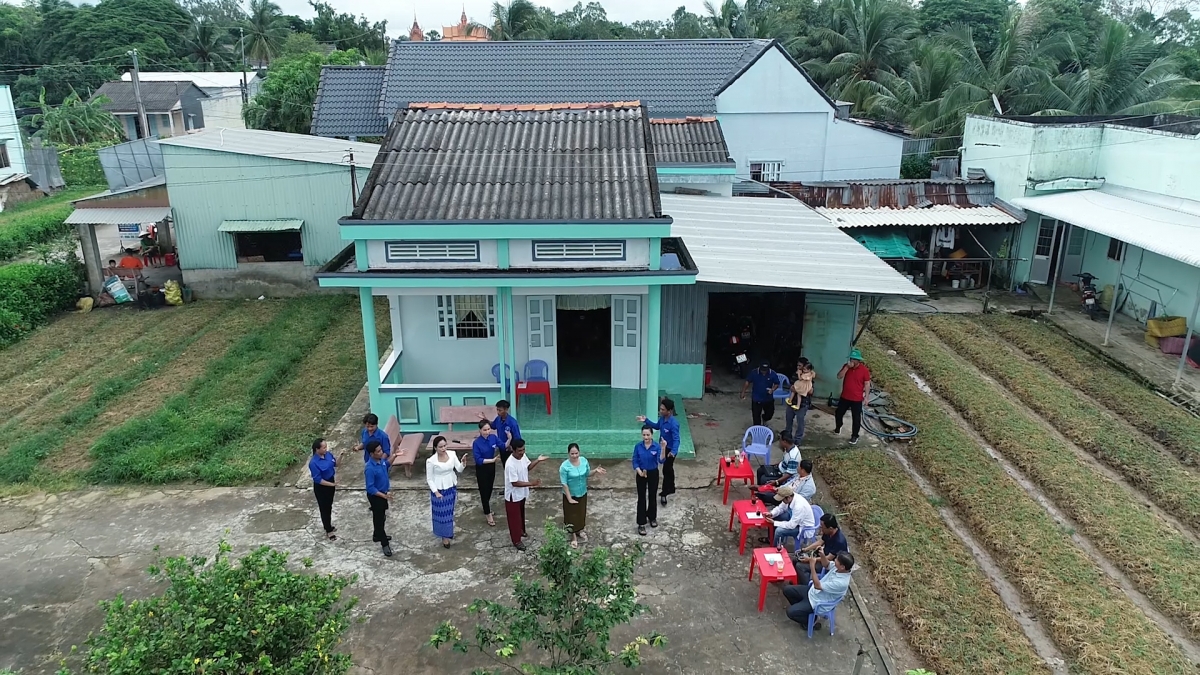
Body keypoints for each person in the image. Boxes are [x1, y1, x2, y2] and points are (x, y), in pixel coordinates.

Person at [781, 552, 855, 630]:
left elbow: (817, 586)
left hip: (817, 602)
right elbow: (826, 565)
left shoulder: (841, 582)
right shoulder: (838, 568)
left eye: (837, 560)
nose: (835, 560)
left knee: (790, 612)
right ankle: (803, 610)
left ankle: (812, 621)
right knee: (787, 590)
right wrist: (822, 554)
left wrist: (812, 566)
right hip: (813, 592)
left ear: (842, 567)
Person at [503, 439, 550, 551]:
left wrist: (538, 460)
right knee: (514, 518)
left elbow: (527, 467)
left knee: (521, 514)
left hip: (522, 492)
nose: (522, 452)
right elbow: (514, 483)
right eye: (520, 450)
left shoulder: (523, 457)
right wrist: (531, 483)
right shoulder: (510, 464)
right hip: (513, 495)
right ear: (513, 450)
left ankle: (521, 531)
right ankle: (516, 540)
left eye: (524, 449)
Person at [559, 443, 607, 548]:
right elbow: (564, 483)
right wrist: (569, 498)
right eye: (572, 454)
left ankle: (579, 530)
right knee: (571, 515)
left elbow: (587, 474)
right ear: (568, 454)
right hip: (570, 494)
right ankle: (573, 536)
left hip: (582, 492)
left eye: (576, 453)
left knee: (581, 513)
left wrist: (596, 471)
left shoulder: (584, 461)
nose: (575, 456)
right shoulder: (564, 467)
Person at [637, 398, 680, 507]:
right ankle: (671, 487)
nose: (660, 411)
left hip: (670, 450)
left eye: (662, 409)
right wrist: (646, 420)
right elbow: (656, 426)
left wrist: (673, 452)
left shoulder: (674, 424)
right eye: (660, 409)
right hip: (662, 447)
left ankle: (665, 493)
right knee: (667, 469)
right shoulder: (662, 419)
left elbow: (676, 439)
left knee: (666, 469)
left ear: (669, 411)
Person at [426, 435, 465, 548]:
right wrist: (436, 492)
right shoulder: (431, 461)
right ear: (435, 448)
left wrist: (463, 463)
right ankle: (444, 536)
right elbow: (429, 479)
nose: (443, 449)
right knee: (441, 515)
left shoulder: (452, 454)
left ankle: (447, 534)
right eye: (440, 447)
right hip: (438, 489)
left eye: (445, 446)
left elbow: (459, 469)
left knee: (449, 513)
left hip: (450, 486)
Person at [796, 513, 849, 585]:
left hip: (829, 564)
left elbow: (829, 558)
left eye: (822, 527)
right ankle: (797, 581)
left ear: (830, 528)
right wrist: (805, 549)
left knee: (800, 566)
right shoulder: (828, 532)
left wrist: (810, 560)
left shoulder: (839, 541)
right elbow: (820, 542)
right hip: (822, 555)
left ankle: (806, 588)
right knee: (796, 558)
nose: (820, 529)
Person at [835, 348, 871, 445]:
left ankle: (854, 436)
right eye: (851, 358)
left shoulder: (864, 370)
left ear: (858, 360)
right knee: (838, 413)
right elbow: (839, 376)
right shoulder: (846, 367)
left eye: (854, 359)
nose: (851, 361)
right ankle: (839, 426)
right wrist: (846, 368)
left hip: (857, 398)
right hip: (845, 396)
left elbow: (867, 384)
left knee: (856, 418)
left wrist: (866, 397)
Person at [751, 433, 800, 505]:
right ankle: (761, 490)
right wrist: (774, 465)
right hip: (779, 469)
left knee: (764, 479)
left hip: (783, 475)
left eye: (780, 441)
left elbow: (789, 474)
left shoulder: (793, 456)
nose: (779, 443)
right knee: (760, 470)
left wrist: (776, 481)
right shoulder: (788, 448)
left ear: (785, 441)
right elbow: (784, 461)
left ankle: (765, 497)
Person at [471, 420, 503, 526]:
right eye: (484, 430)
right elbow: (478, 460)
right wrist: (492, 460)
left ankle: (486, 507)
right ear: (480, 430)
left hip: (491, 467)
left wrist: (510, 437)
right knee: (483, 491)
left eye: (488, 429)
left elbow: (502, 445)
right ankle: (488, 513)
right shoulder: (477, 443)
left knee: (489, 488)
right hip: (482, 468)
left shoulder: (493, 438)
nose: (487, 432)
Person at [364, 441, 393, 557]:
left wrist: (395, 455)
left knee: (381, 516)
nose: (382, 452)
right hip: (376, 497)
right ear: (372, 454)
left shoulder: (381, 461)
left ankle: (377, 535)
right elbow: (370, 488)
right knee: (379, 519)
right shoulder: (370, 468)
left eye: (381, 450)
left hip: (383, 494)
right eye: (379, 451)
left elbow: (387, 464)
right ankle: (384, 543)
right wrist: (384, 496)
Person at [632, 425, 662, 536]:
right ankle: (641, 523)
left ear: (652, 435)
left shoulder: (656, 446)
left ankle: (652, 517)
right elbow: (635, 460)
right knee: (641, 497)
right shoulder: (638, 446)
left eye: (648, 435)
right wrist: (639, 471)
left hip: (653, 472)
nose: (646, 437)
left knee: (652, 495)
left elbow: (661, 460)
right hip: (641, 473)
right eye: (644, 435)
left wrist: (663, 449)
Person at [308, 438, 337, 541]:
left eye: (326, 447)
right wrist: (332, 484)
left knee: (329, 505)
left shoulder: (328, 455)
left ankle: (328, 524)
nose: (326, 449)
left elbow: (335, 464)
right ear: (317, 449)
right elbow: (318, 480)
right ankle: (328, 529)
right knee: (324, 508)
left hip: (330, 482)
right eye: (323, 447)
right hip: (322, 487)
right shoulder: (313, 463)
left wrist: (341, 456)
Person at [784, 358, 815, 442]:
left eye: (800, 366)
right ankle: (787, 437)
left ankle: (797, 440)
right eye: (797, 365)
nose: (798, 367)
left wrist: (801, 390)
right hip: (792, 402)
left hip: (803, 404)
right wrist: (794, 388)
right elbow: (791, 386)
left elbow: (811, 391)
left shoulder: (809, 377)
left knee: (800, 423)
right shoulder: (795, 374)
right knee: (788, 420)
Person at [740, 362, 779, 427]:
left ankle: (764, 418)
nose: (764, 372)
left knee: (769, 414)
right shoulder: (754, 372)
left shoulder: (773, 373)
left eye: (765, 371)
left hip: (768, 398)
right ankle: (757, 430)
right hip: (756, 398)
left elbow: (777, 383)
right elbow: (747, 382)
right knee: (756, 417)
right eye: (762, 370)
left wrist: (772, 390)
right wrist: (743, 392)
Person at [490, 399, 522, 464]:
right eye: (497, 410)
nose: (498, 412)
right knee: (505, 464)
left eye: (500, 410)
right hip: (502, 447)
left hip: (510, 449)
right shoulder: (498, 419)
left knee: (511, 465)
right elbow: (493, 426)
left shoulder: (512, 423)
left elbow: (517, 438)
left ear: (506, 410)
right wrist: (485, 420)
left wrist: (513, 447)